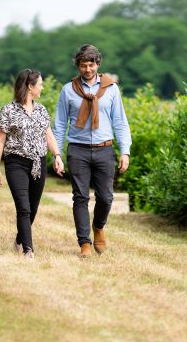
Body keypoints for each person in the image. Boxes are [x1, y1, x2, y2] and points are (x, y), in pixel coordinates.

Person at [53, 44, 132, 257]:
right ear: (78, 66)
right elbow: (59, 124)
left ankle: (99, 226)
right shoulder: (68, 90)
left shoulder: (111, 89)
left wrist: (125, 151)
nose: (87, 69)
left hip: (104, 149)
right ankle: (84, 243)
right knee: (80, 197)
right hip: (77, 150)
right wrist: (57, 154)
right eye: (83, 65)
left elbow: (120, 122)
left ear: (98, 64)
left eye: (91, 65)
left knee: (106, 197)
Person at [0, 69, 64, 259]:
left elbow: (48, 135)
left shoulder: (41, 110)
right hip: (16, 163)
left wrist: (57, 155)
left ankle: (19, 239)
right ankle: (28, 250)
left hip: (38, 163)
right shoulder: (8, 110)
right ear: (30, 86)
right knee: (23, 207)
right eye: (40, 84)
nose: (42, 87)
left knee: (32, 207)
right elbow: (0, 140)